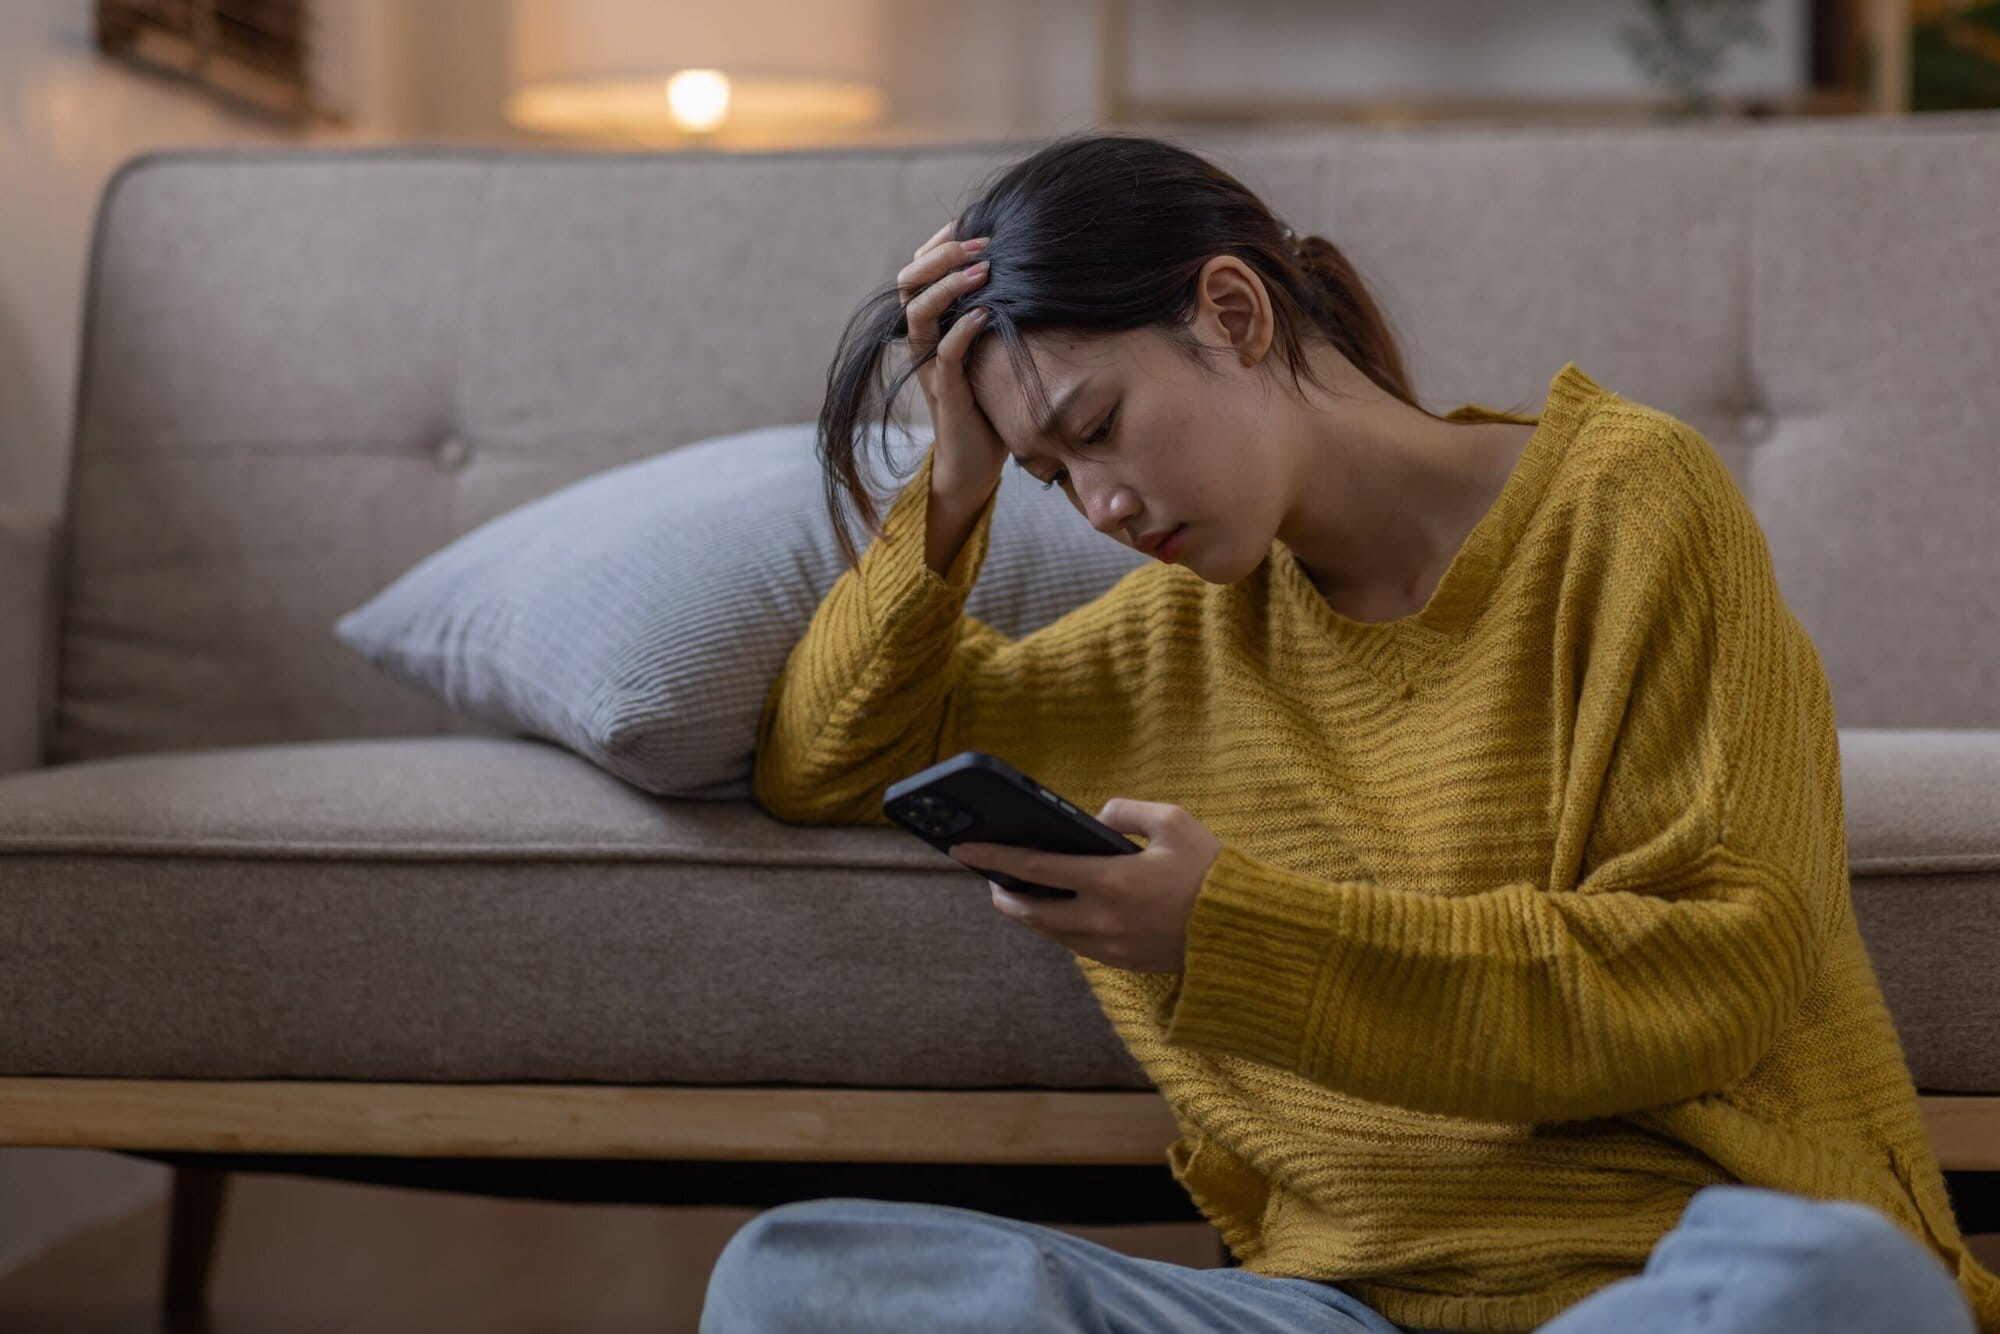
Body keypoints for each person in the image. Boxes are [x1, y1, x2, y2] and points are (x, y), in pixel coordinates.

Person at [719, 130, 2000, 1333]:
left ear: (1232, 312)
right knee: (802, 1277)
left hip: (1658, 1284)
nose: (1100, 503)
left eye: (1096, 427)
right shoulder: (1161, 641)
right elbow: (823, 757)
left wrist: (1227, 932)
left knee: (1827, 1278)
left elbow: (1720, 972)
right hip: (1331, 1308)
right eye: (1053, 476)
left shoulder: (1626, 503)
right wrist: (953, 486)